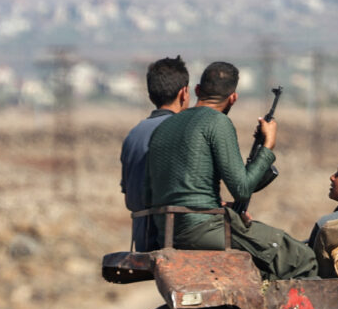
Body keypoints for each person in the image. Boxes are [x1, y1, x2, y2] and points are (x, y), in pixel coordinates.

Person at [145, 60, 317, 279]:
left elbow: (153, 191)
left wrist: (212, 205)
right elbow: (242, 189)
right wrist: (268, 146)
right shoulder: (218, 122)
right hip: (203, 229)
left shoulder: (164, 126)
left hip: (166, 231)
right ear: (233, 97)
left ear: (198, 90)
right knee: (300, 258)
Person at [120, 56, 189, 251]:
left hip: (141, 237)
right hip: (173, 236)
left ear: (150, 96)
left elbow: (129, 191)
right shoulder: (183, 130)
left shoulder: (133, 134)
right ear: (184, 93)